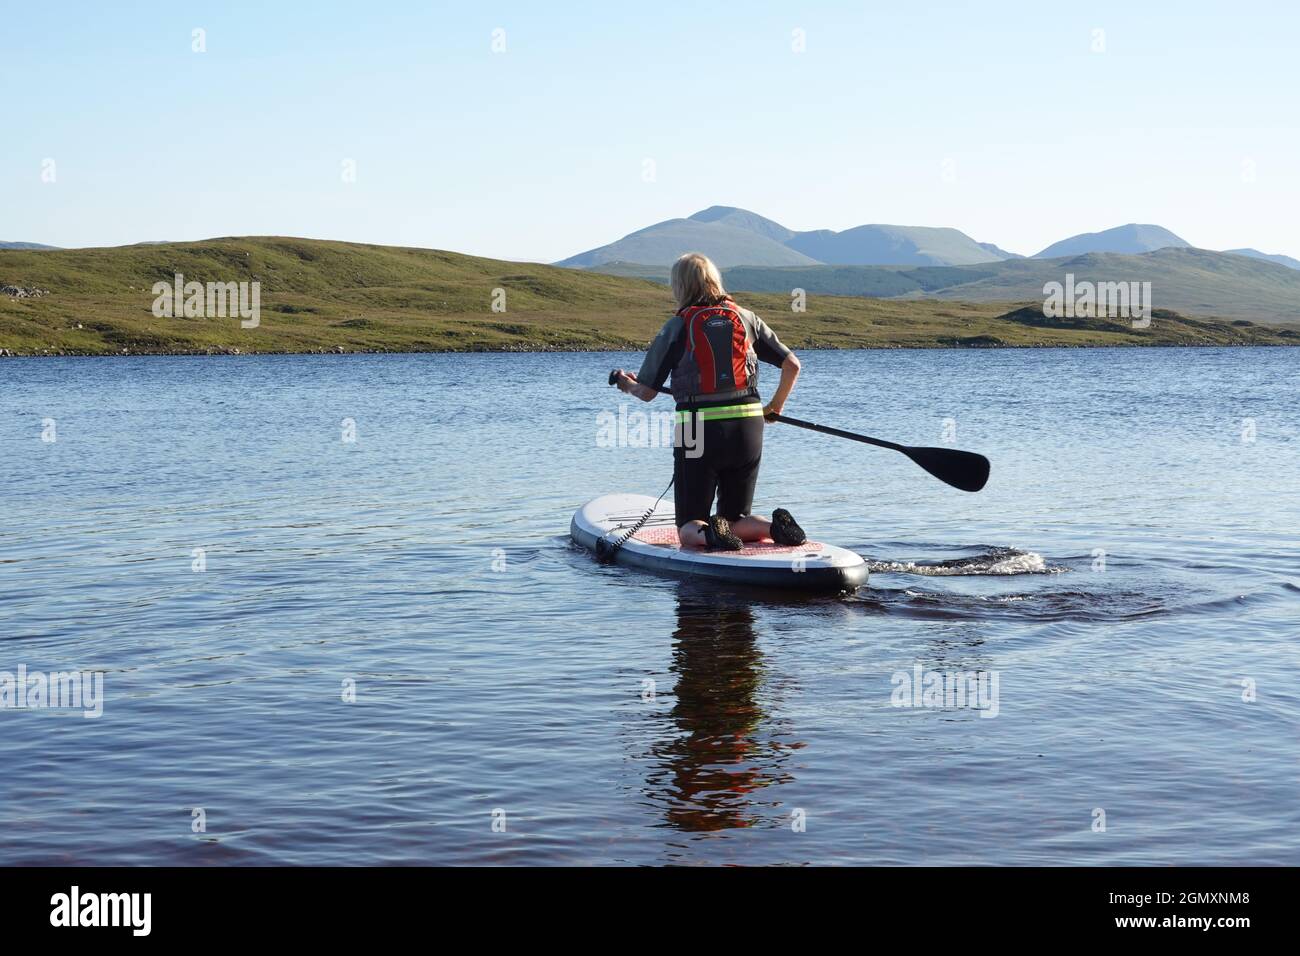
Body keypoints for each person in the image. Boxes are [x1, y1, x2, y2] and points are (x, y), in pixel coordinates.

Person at [613, 252, 806, 551]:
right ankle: (774, 528)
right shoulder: (746, 317)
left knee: (690, 525)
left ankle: (711, 534)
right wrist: (774, 408)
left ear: (680, 286)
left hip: (696, 427)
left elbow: (647, 392)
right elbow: (792, 365)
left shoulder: (677, 325)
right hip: (749, 425)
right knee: (736, 515)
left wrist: (627, 385)